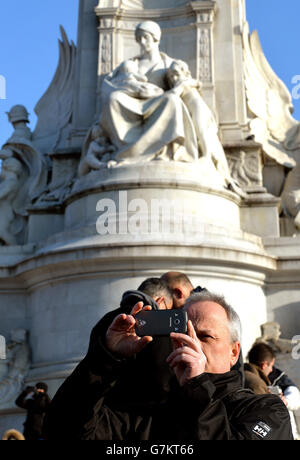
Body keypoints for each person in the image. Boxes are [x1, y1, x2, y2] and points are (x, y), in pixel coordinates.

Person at [79, 290, 292, 440]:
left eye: (205, 336)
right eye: (183, 333)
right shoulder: (150, 415)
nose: (192, 343)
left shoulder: (266, 410)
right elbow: (66, 430)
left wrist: (197, 388)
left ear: (234, 352)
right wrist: (104, 359)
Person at [43, 277, 173, 440]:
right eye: (170, 309)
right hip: (143, 422)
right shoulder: (160, 330)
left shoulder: (106, 320)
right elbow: (162, 381)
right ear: (161, 301)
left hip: (100, 415)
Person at [99, 21, 199, 164]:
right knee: (114, 98)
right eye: (139, 38)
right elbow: (112, 83)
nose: (141, 42)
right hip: (134, 101)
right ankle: (126, 150)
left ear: (156, 38)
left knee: (172, 100)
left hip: (158, 102)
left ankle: (159, 149)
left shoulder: (169, 63)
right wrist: (132, 86)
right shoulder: (131, 64)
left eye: (145, 37)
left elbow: (185, 82)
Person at [245, 342, 300, 440]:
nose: (271, 370)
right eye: (271, 366)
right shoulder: (256, 384)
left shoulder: (243, 375)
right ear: (264, 365)